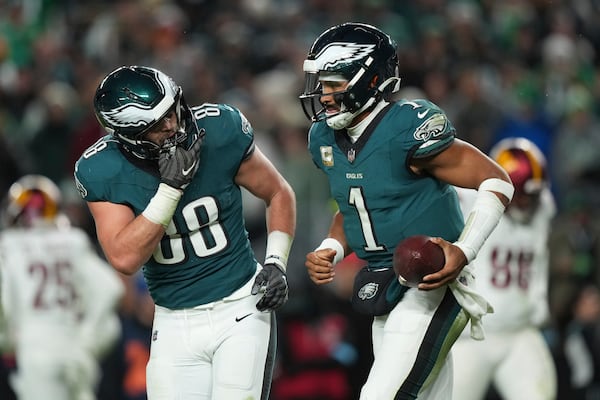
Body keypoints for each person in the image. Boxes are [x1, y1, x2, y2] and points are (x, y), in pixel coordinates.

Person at [299, 22, 514, 399]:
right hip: (383, 285)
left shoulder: (405, 127)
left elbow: (497, 181)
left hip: (431, 284)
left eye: (334, 83)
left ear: (369, 80)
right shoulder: (324, 139)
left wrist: (464, 250)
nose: (324, 95)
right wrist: (331, 248)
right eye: (322, 84)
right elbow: (355, 208)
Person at [73, 65, 296, 399]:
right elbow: (124, 256)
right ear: (129, 136)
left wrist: (276, 261)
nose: (173, 124)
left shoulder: (220, 129)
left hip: (240, 306)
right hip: (173, 320)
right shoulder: (101, 169)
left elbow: (278, 192)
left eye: (173, 110)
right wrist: (170, 188)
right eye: (158, 124)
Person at [0, 174, 124, 400]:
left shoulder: (9, 245)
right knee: (111, 326)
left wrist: (7, 337)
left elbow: (3, 302)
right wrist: (90, 335)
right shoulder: (73, 240)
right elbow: (111, 287)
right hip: (76, 347)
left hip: (37, 348)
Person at [452, 137, 558, 400]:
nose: (525, 203)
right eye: (519, 195)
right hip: (472, 335)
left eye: (530, 196)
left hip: (521, 332)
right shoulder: (469, 200)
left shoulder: (544, 206)